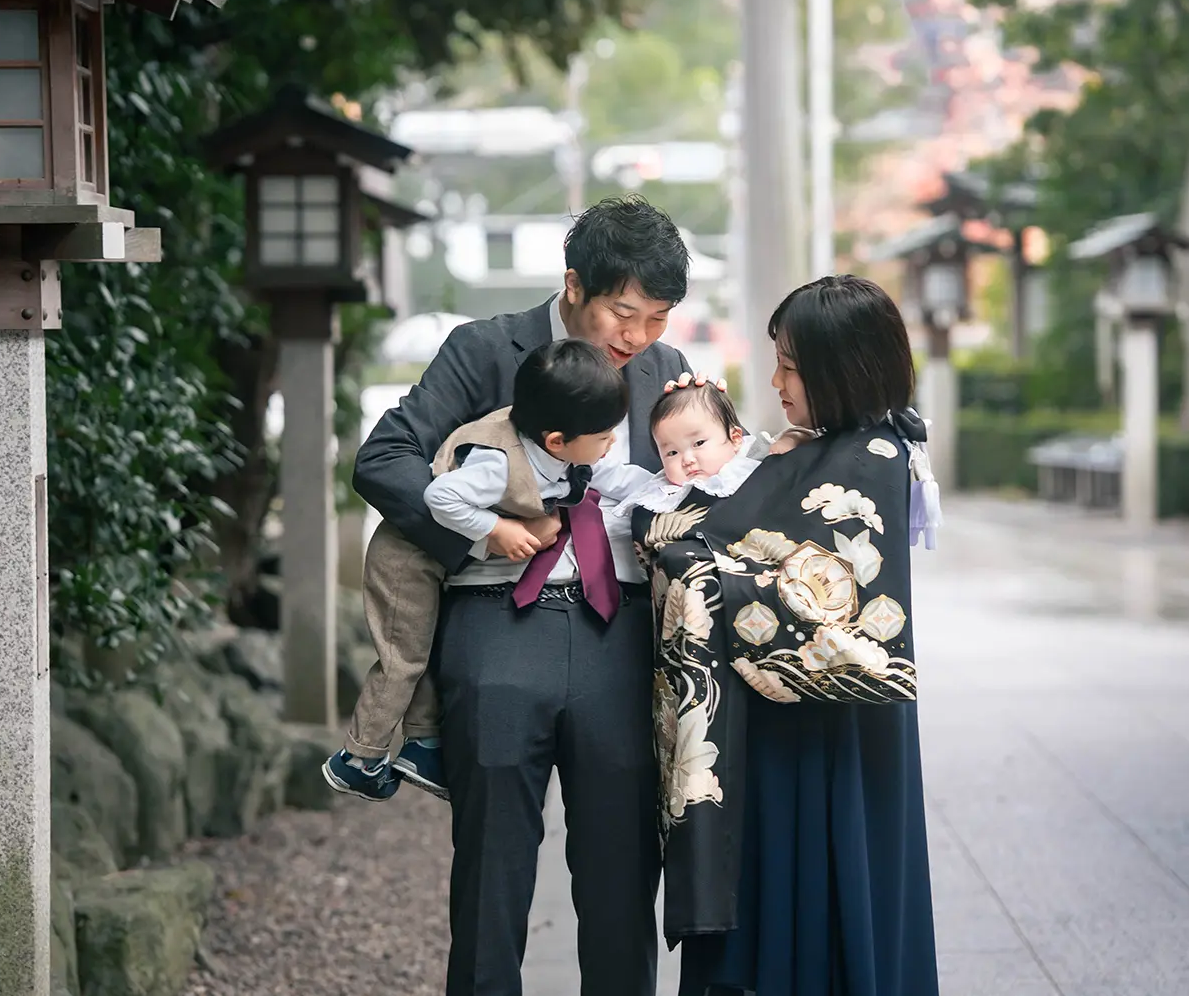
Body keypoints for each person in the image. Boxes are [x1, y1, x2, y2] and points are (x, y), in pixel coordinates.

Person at [353, 195, 693, 996]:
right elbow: (384, 458)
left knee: (621, 871)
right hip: (496, 621)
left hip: (622, 633)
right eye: (624, 312)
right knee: (492, 867)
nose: (636, 338)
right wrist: (485, 530)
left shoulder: (665, 374)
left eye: (657, 319)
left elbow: (702, 485)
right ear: (575, 284)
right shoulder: (482, 349)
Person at [642, 275, 941, 996]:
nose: (775, 381)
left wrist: (688, 553)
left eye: (789, 365)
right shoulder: (820, 443)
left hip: (828, 723)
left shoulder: (870, 456)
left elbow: (813, 597)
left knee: (818, 898)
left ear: (842, 365)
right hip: (781, 720)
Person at [323, 339, 656, 803]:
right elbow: (440, 499)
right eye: (604, 437)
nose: (612, 445)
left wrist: (676, 482)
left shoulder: (558, 446)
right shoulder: (498, 462)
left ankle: (421, 747)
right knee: (405, 658)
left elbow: (615, 479)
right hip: (407, 556)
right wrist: (494, 530)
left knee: (430, 650)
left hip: (442, 558)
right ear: (557, 441)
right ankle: (358, 757)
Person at [613, 374, 814, 522]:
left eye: (699, 443)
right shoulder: (664, 494)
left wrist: (791, 439)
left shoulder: (752, 455)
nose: (687, 459)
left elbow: (805, 437)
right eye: (672, 452)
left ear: (735, 438)